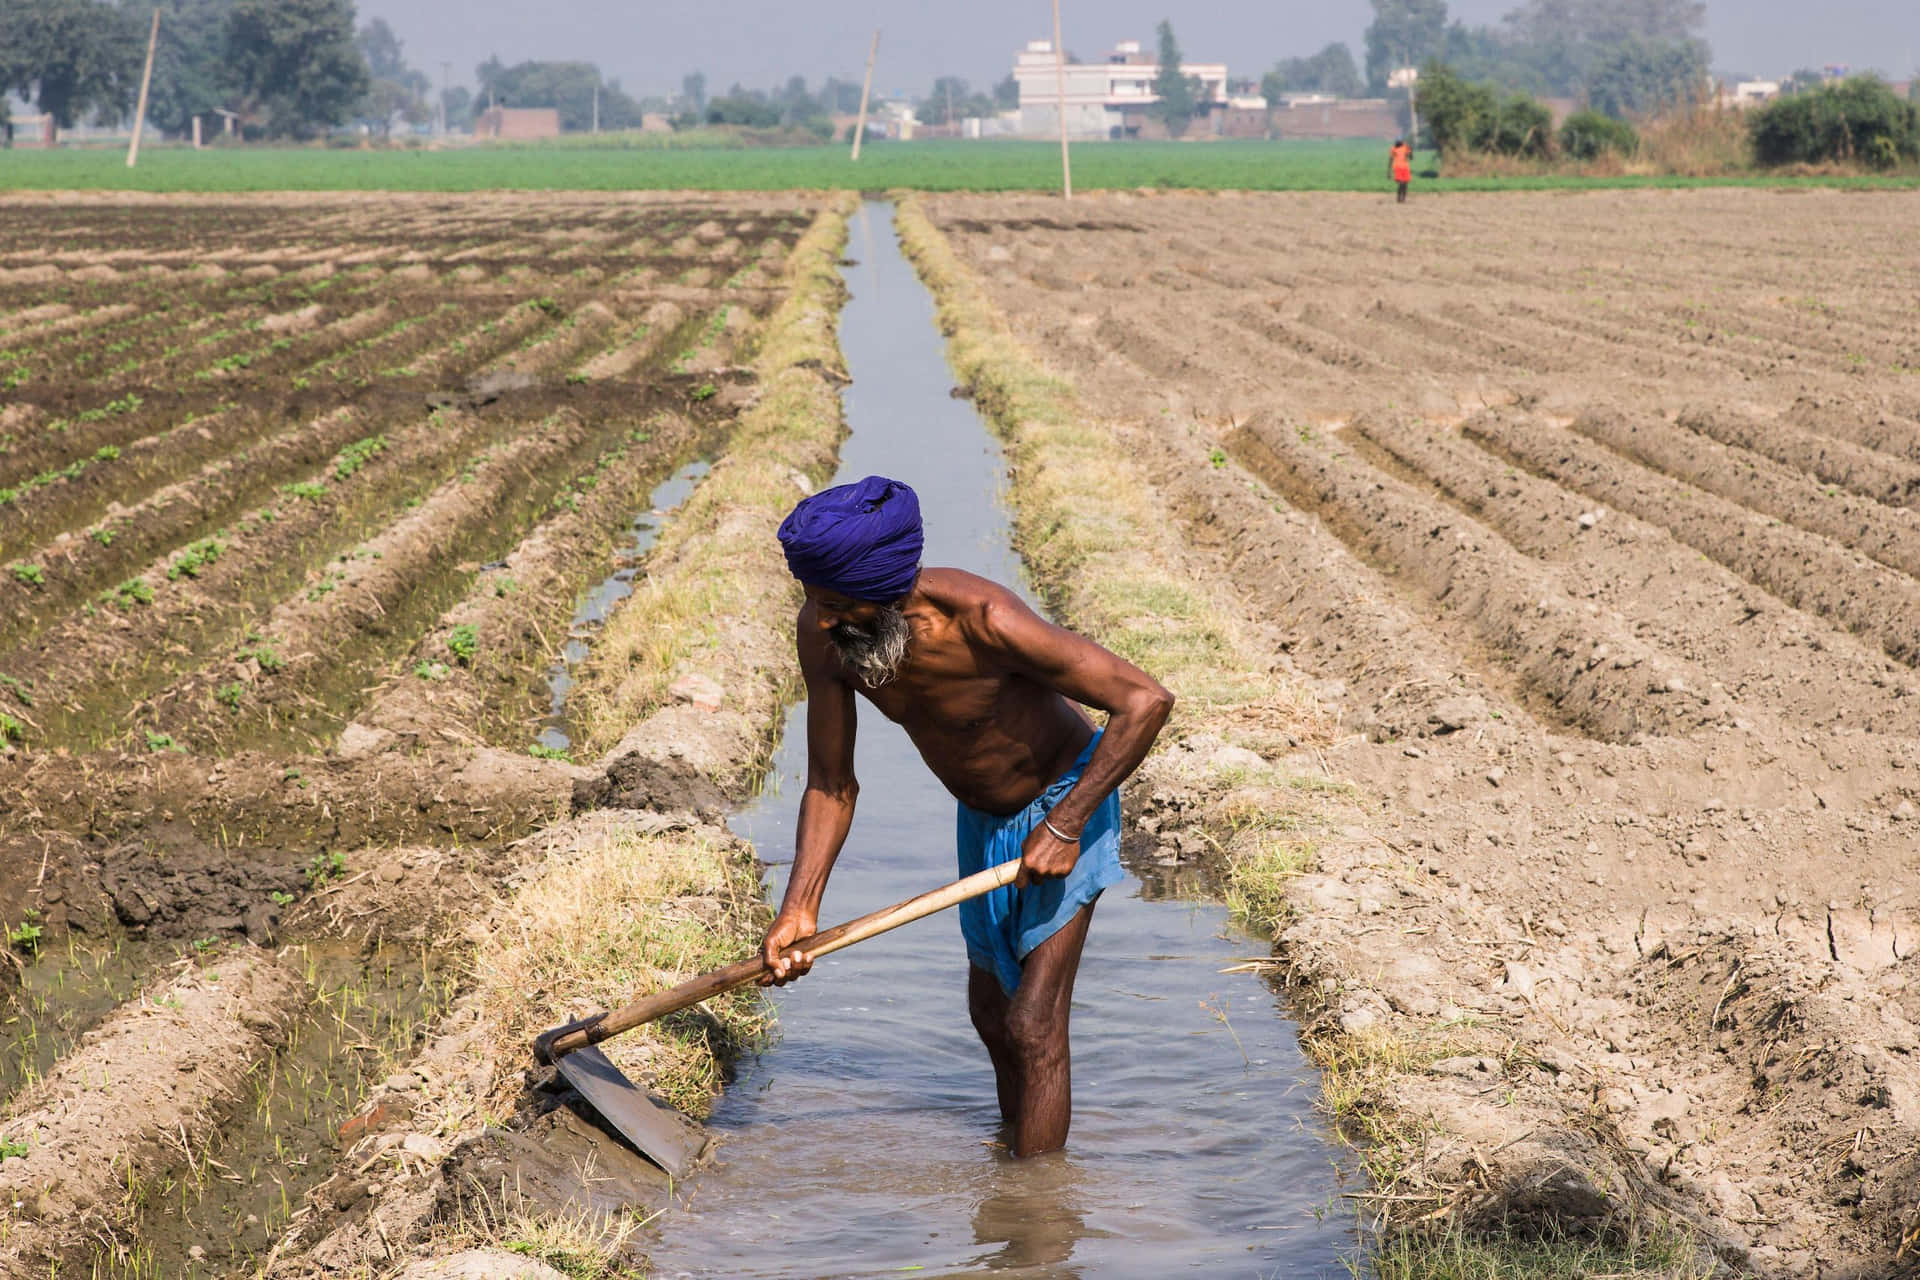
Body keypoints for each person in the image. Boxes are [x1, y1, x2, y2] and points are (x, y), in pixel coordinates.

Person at [760, 475, 1173, 1157]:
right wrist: (800, 907)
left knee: (1034, 1023)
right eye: (814, 601)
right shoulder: (827, 634)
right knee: (991, 1014)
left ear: (890, 588)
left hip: (1064, 802)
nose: (823, 618)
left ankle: (1036, 1228)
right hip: (980, 818)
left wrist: (1067, 824)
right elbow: (832, 783)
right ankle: (1014, 1152)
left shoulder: (985, 621)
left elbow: (1144, 700)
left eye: (837, 603)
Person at [1389, 137, 1414, 203]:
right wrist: (1389, 171)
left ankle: (1403, 198)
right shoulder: (1393, 148)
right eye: (1396, 142)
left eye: (1399, 142)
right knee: (1401, 183)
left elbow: (1411, 157)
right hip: (1397, 167)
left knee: (1405, 184)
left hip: (1405, 167)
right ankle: (1399, 197)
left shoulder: (1406, 147)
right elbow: (1391, 159)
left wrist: (1411, 151)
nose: (1397, 143)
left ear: (1402, 142)